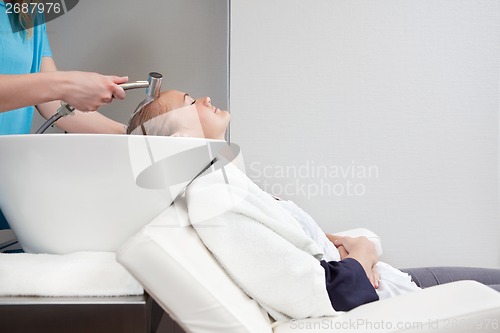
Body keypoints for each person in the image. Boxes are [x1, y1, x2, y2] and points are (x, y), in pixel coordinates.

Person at [127, 90, 420, 316]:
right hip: (389, 298)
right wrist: (363, 252)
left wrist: (343, 245)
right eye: (190, 102)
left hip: (388, 282)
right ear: (180, 139)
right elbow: (329, 292)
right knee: (468, 283)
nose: (205, 99)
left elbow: (293, 240)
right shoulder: (216, 200)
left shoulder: (224, 183)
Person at [0, 0, 128, 242]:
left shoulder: (27, 13)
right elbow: (54, 88)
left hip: (6, 186)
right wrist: (66, 84)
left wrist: (130, 134)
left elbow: (51, 101)